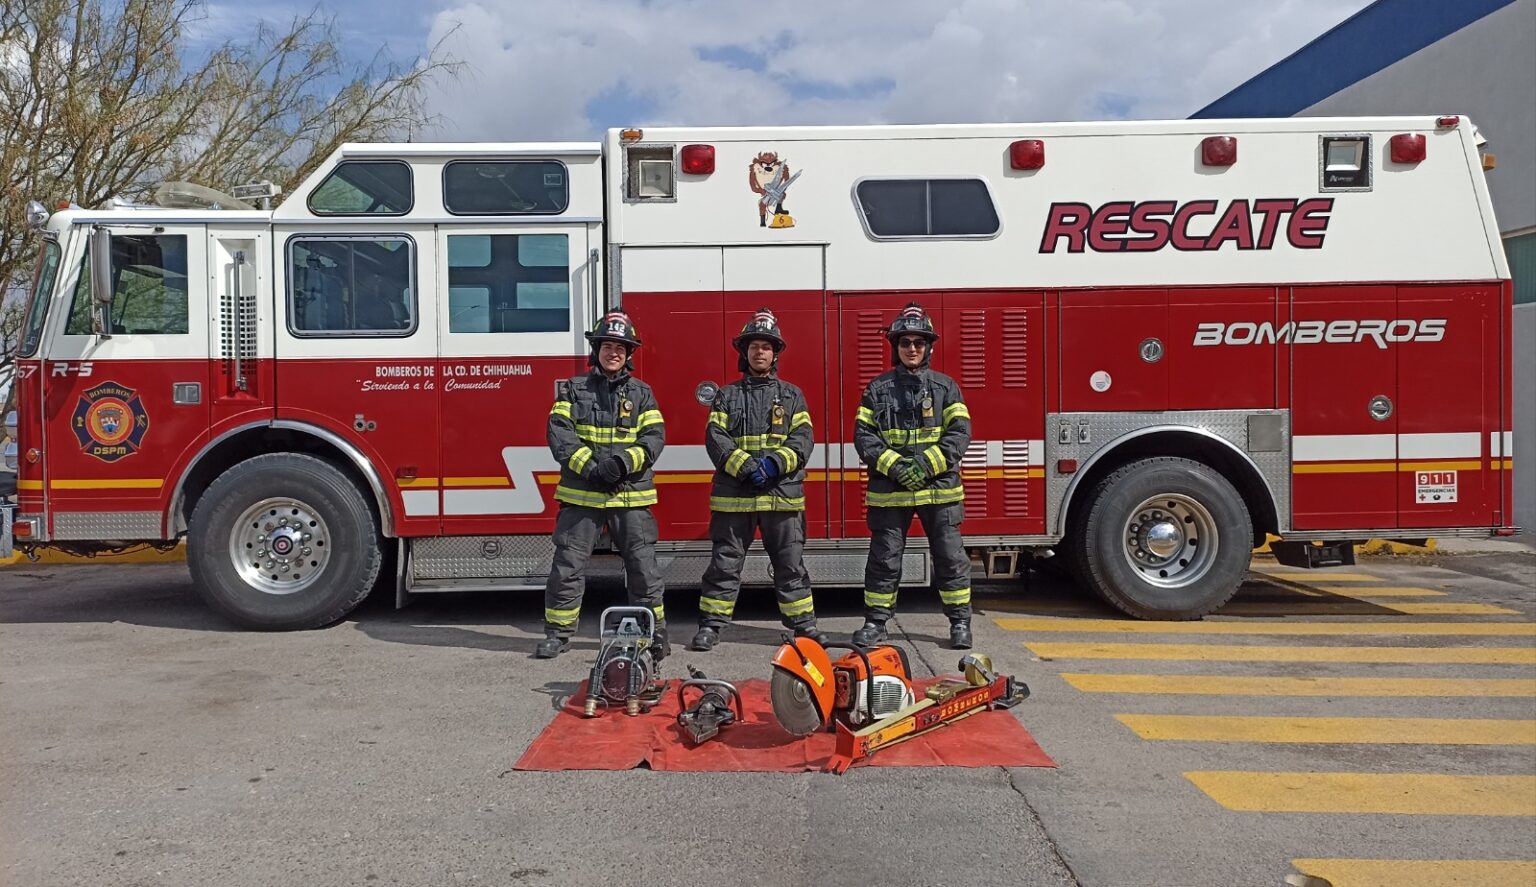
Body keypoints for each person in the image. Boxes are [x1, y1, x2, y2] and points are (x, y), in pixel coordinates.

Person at [690, 309, 825, 651]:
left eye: (766, 346)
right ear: (744, 352)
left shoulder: (792, 396)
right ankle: (711, 626)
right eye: (753, 346)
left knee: (790, 564)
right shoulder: (727, 395)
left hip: (781, 496)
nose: (759, 352)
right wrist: (747, 466)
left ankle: (804, 626)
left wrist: (774, 465)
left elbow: (803, 439)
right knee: (724, 564)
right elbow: (715, 437)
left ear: (775, 353)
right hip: (735, 495)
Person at [536, 310, 668, 659]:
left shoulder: (643, 393)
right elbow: (559, 435)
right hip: (583, 494)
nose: (614, 353)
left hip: (631, 493)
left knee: (643, 569)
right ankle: (558, 634)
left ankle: (654, 635)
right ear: (596, 350)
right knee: (568, 566)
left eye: (621, 348)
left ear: (629, 355)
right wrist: (594, 470)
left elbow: (654, 438)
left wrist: (622, 464)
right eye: (608, 345)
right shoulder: (573, 390)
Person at [853, 303, 974, 650]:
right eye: (905, 342)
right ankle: (875, 623)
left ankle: (960, 623)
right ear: (896, 347)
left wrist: (926, 466)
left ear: (928, 347)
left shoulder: (946, 387)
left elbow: (960, 432)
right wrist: (896, 466)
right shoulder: (877, 390)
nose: (912, 348)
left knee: (951, 559)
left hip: (939, 491)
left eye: (918, 342)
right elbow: (864, 436)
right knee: (884, 559)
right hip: (891, 492)